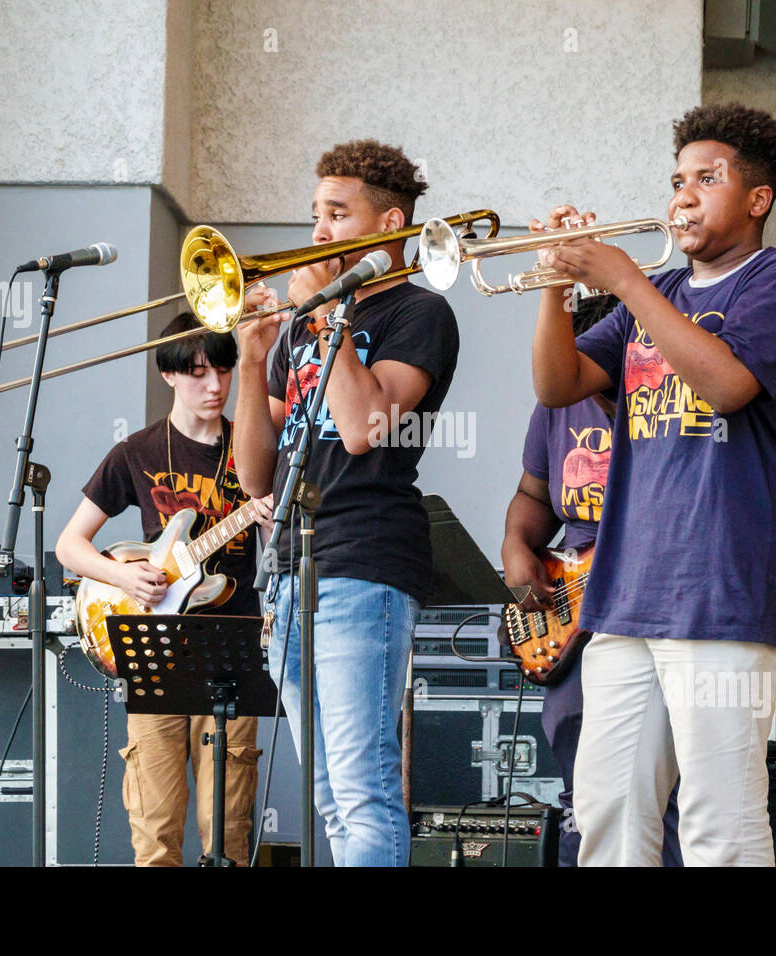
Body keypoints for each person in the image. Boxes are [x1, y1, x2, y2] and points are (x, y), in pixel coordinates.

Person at [529, 103, 776, 866]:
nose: (681, 196)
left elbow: (727, 385)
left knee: (719, 823)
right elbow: (557, 385)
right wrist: (554, 285)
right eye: (676, 181)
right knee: (607, 814)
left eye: (706, 179)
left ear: (758, 199)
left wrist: (623, 279)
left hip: (726, 592)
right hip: (626, 595)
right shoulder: (649, 295)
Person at [232, 139, 459, 867]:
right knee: (327, 797)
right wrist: (247, 357)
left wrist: (327, 320)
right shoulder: (299, 327)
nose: (319, 232)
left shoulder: (418, 313)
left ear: (389, 223)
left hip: (366, 559)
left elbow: (365, 431)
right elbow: (252, 475)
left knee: (363, 791)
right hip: (293, 565)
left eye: (338, 213)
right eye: (314, 214)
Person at [55, 312, 272, 867]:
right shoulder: (138, 451)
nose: (215, 386)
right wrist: (124, 576)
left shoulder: (253, 442)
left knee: (228, 831)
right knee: (154, 831)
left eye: (223, 371)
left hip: (233, 649)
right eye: (198, 373)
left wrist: (271, 519)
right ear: (169, 374)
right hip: (155, 653)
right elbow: (70, 546)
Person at [501, 291, 682, 867]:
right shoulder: (556, 408)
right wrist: (515, 544)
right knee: (589, 787)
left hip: (657, 605)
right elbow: (533, 494)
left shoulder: (668, 397)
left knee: (668, 795)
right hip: (575, 616)